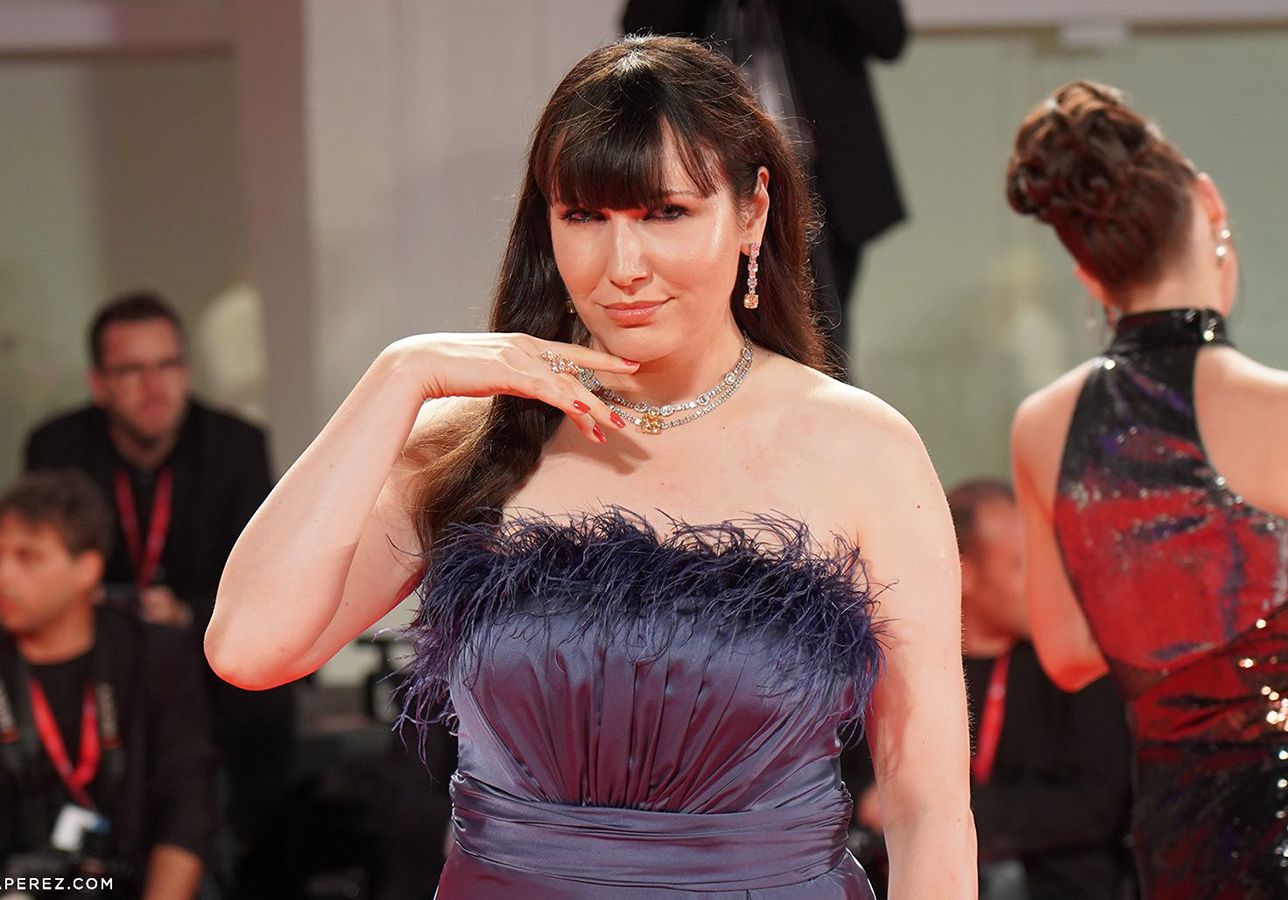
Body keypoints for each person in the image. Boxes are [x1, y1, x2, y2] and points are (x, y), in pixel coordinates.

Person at [207, 35, 974, 898]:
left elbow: (927, 804)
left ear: (752, 212)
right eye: (585, 217)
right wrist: (398, 378)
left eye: (664, 214)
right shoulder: (475, 442)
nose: (623, 269)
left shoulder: (861, 450)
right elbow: (247, 648)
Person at [1007, 81, 1288, 899]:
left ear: (1088, 274)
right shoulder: (1275, 408)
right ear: (1210, 203)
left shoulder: (1042, 423)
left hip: (1176, 836)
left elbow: (1064, 653)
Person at [23, 293, 295, 896]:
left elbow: (267, 580)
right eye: (132, 371)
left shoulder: (234, 446)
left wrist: (187, 613)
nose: (155, 387)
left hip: (207, 674)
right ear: (99, 384)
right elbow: (42, 575)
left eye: (169, 365)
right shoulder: (58, 449)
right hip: (96, 671)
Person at [0, 471, 216, 899]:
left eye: (28, 557)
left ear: (87, 569)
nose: (2, 576)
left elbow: (189, 811)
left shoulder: (153, 658)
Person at [621, 0, 910, 375]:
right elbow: (640, 32)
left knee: (821, 331)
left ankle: (823, 423)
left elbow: (888, 36)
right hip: (707, 172)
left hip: (823, 176)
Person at [948, 479, 1133, 899]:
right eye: (1020, 566)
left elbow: (1098, 801)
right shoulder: (906, 664)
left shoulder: (1078, 664)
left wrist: (954, 817)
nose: (1043, 584)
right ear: (965, 573)